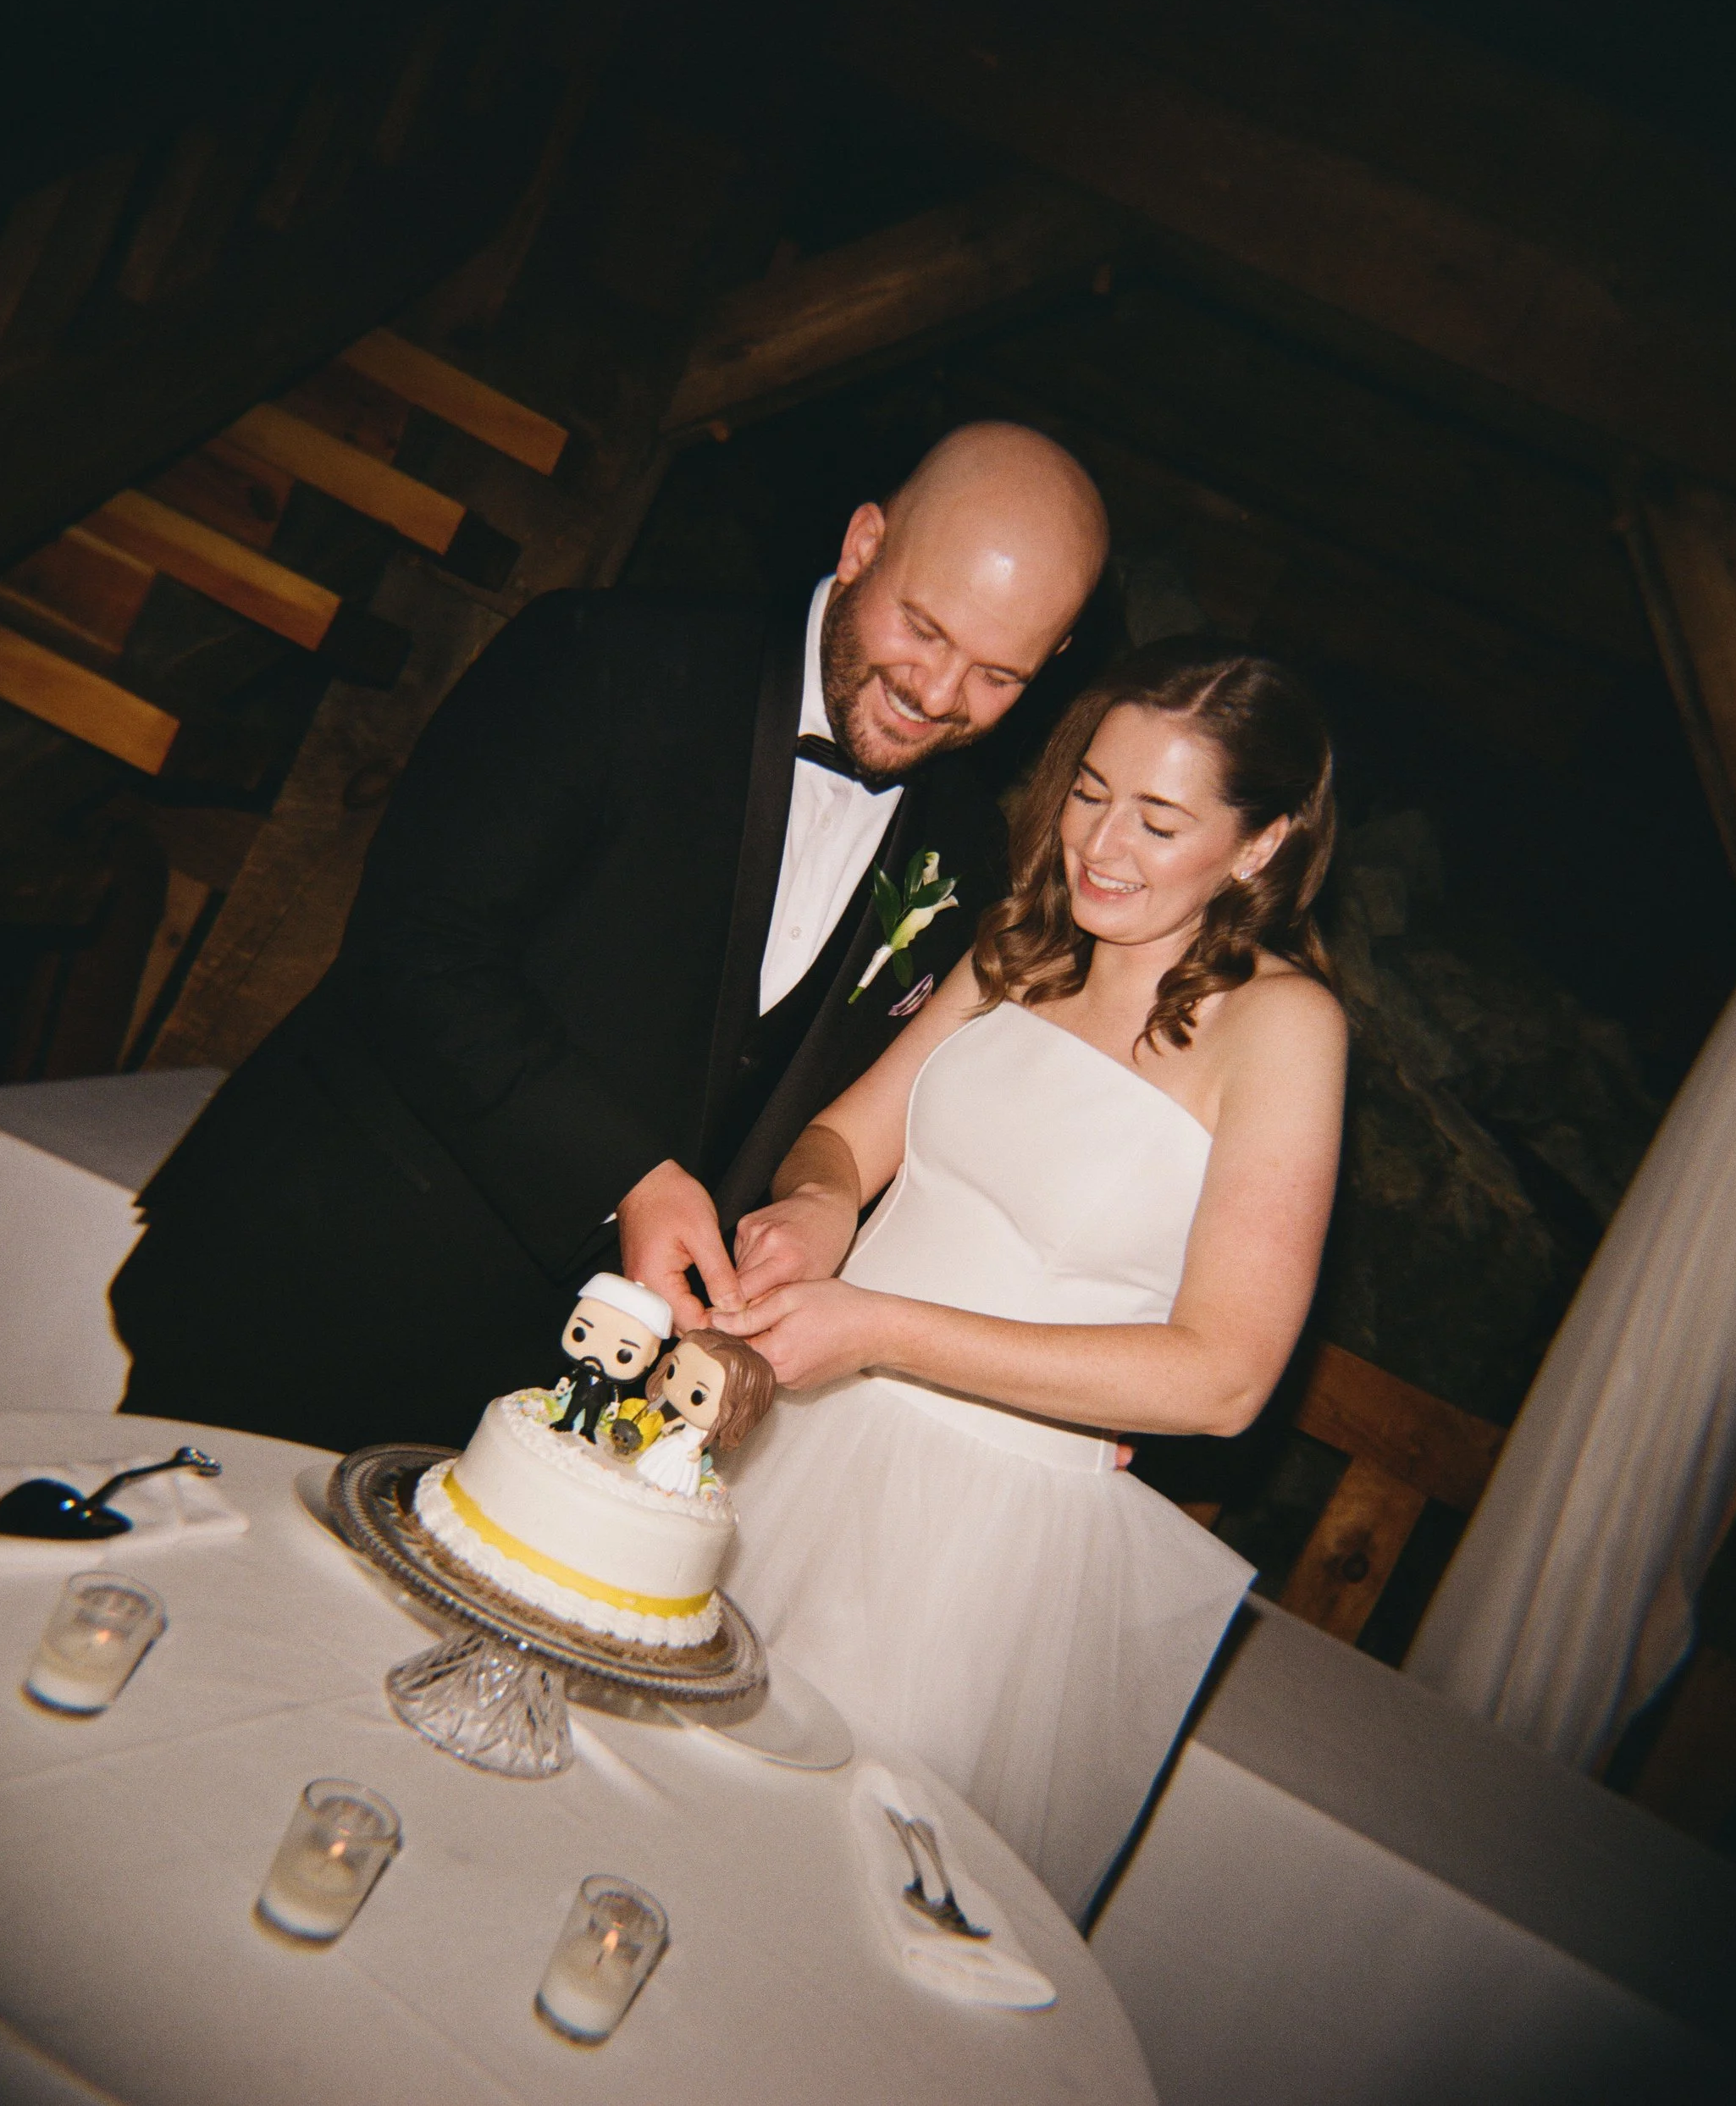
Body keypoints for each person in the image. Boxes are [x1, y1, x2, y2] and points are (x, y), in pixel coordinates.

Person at [110, 424, 1108, 1452]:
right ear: (862, 545)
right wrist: (620, 1176)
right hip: (324, 1276)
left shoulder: (966, 852)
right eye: (923, 629)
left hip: (560, 1403)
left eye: (999, 676)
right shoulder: (606, 657)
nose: (937, 696)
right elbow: (415, 951)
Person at [709, 636, 1347, 1920]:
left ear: (1262, 843)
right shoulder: (1022, 947)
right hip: (799, 1443)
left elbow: (1224, 1378)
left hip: (980, 1539)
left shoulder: (1285, 1027)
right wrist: (826, 1207)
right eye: (1092, 790)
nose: (1100, 844)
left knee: (795, 1900)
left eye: (1160, 819)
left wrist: (881, 1324)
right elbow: (844, 1134)